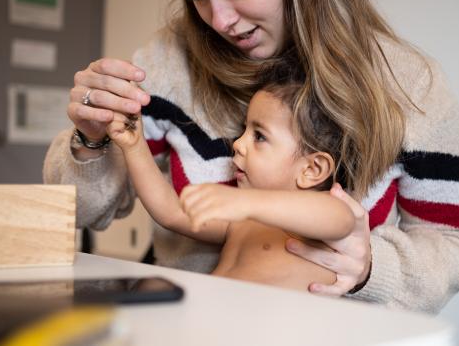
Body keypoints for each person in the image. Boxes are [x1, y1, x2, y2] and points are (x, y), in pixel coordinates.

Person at [44, 0, 459, 313]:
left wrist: (370, 269)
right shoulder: (164, 66)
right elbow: (84, 214)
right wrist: (95, 138)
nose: (219, 21)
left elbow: (454, 244)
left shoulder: (410, 85)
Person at [106, 62, 355, 291]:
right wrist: (134, 145)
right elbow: (170, 213)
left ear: (312, 170)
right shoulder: (241, 221)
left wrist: (243, 203)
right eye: (244, 130)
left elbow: (342, 220)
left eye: (259, 136)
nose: (237, 144)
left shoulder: (325, 215)